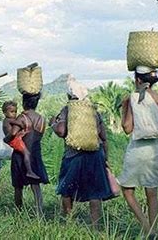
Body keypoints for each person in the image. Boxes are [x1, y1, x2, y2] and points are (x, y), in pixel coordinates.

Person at [50, 84, 114, 227]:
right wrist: (105, 159)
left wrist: (53, 123)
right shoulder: (93, 111)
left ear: (69, 97)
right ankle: (95, 226)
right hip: (95, 155)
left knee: (66, 189)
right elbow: (103, 137)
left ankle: (69, 222)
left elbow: (61, 131)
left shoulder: (67, 110)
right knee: (95, 192)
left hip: (74, 155)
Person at [119, 66, 158, 235]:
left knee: (127, 189)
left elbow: (127, 128)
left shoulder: (133, 98)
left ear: (138, 80)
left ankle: (147, 228)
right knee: (152, 192)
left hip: (139, 149)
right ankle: (153, 230)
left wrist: (125, 107)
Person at [5, 92, 49, 214]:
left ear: (24, 103)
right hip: (35, 155)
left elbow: (13, 133)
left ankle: (19, 213)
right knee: (36, 186)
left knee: (18, 186)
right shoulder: (41, 119)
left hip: (20, 156)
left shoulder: (21, 118)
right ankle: (39, 214)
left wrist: (6, 140)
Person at [2, 101, 39, 179]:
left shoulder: (8, 120)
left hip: (15, 139)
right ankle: (29, 171)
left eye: (15, 112)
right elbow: (19, 124)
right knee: (26, 153)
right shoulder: (8, 120)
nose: (14, 114)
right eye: (12, 112)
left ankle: (29, 171)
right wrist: (24, 121)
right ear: (4, 113)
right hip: (14, 140)